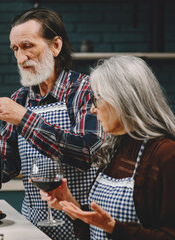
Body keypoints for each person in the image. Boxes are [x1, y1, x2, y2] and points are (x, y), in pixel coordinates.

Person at [0, 8, 104, 239]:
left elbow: (86, 152)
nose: (21, 58)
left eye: (28, 46)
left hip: (82, 224)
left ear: (55, 46)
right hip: (32, 228)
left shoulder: (86, 90)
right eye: (15, 49)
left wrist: (24, 118)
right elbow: (5, 171)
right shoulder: (19, 100)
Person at [40, 55, 175, 239]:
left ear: (123, 100)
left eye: (97, 99)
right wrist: (71, 205)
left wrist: (114, 228)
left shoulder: (166, 154)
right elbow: (97, 231)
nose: (93, 109)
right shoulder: (113, 148)